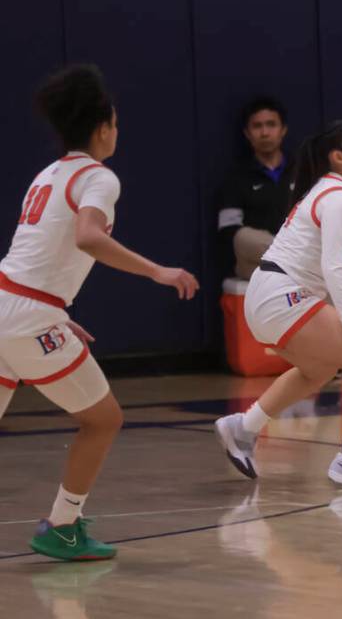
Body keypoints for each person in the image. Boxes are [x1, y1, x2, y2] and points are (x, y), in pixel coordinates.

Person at [0, 65, 199, 561]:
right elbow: (88, 236)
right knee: (104, 419)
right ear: (103, 126)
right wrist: (158, 271)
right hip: (28, 317)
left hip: (9, 302)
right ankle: (62, 526)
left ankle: (65, 524)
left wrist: (54, 311)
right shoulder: (98, 177)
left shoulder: (46, 175)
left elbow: (36, 255)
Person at [214, 121, 342, 487]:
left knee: (319, 370)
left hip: (266, 296)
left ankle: (243, 427)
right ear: (338, 157)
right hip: (282, 295)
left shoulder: (327, 192)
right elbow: (332, 266)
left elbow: (330, 257)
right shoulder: (340, 198)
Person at [218, 97, 296, 280]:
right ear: (247, 133)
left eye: (271, 125)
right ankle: (294, 262)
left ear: (283, 130)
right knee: (243, 236)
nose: (264, 132)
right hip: (257, 264)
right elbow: (229, 231)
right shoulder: (235, 178)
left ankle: (298, 264)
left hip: (302, 253)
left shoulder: (303, 171)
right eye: (257, 126)